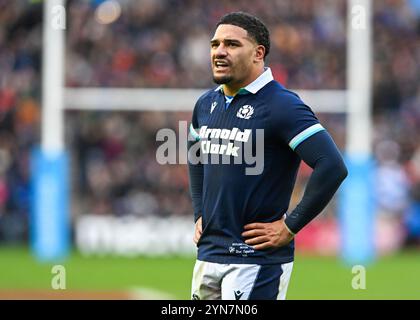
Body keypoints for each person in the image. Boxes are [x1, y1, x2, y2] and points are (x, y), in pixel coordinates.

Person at [187, 12, 348, 300]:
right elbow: (195, 155)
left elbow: (332, 165)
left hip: (255, 260)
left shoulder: (282, 105)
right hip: (209, 252)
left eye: (232, 44)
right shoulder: (206, 103)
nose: (219, 51)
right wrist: (200, 211)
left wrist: (291, 225)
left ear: (258, 53)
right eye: (215, 44)